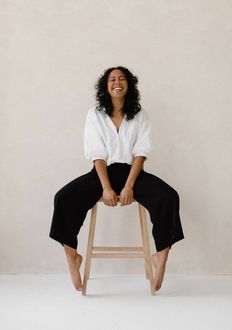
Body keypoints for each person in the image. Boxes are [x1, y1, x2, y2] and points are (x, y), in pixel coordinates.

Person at [49, 66, 184, 293]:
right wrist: (106, 188)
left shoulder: (140, 115)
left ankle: (160, 255)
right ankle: (72, 255)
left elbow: (141, 153)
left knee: (169, 196)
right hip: (102, 174)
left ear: (129, 85)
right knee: (63, 197)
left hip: (133, 173)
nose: (117, 82)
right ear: (106, 86)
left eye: (122, 78)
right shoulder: (95, 114)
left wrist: (130, 185)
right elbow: (97, 154)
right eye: (112, 79)